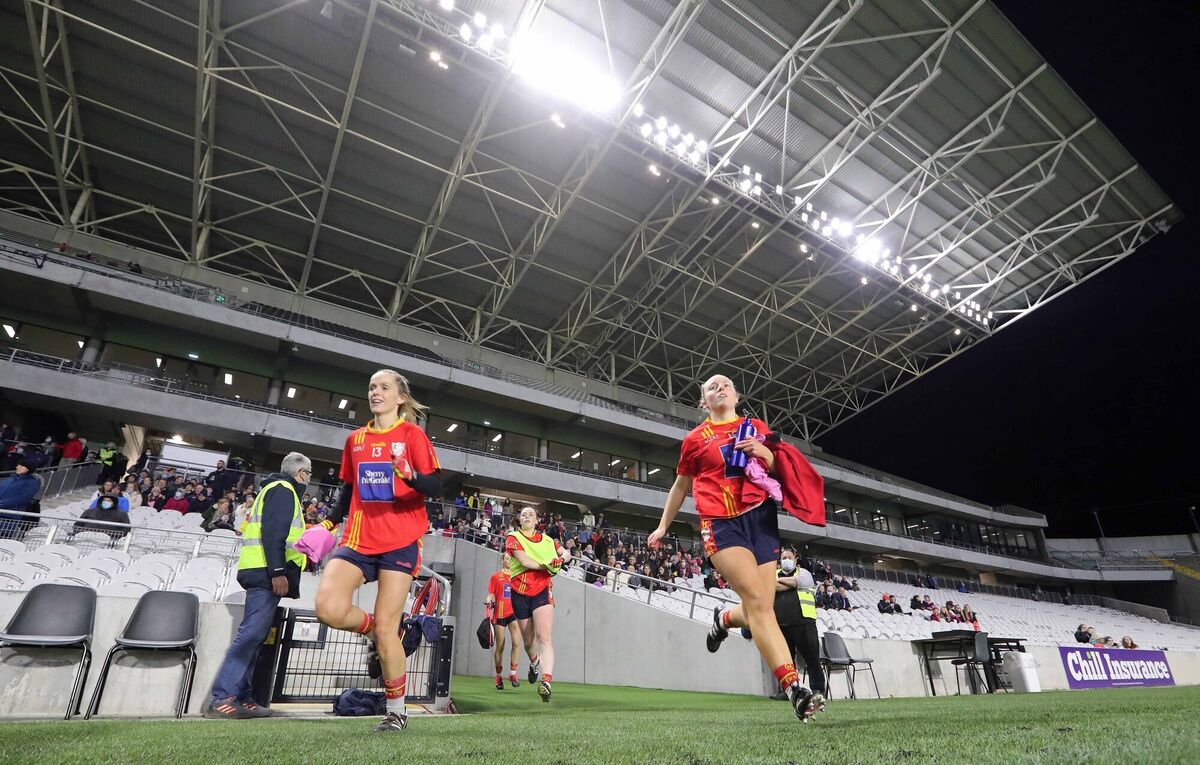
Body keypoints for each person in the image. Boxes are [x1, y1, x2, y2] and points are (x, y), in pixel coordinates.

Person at [648, 374, 823, 722]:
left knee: (760, 604)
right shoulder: (695, 440)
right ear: (704, 402)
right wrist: (663, 525)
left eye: (725, 385)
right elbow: (681, 486)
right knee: (760, 605)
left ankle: (724, 619)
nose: (719, 389)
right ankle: (794, 688)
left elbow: (778, 468)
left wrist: (762, 453)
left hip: (760, 519)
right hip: (720, 524)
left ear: (737, 394)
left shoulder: (755, 426)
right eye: (711, 388)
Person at [313, 369, 443, 733]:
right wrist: (327, 524)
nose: (375, 392)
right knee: (328, 607)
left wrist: (408, 476)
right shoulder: (355, 440)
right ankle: (374, 629)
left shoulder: (412, 435)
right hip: (357, 538)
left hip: (401, 540)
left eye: (384, 387)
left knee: (389, 627)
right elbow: (347, 489)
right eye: (372, 387)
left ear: (400, 397)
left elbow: (435, 484)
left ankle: (396, 712)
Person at [205, 452, 312, 719]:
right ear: (301, 473)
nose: (308, 479)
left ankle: (242, 697)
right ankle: (222, 698)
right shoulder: (283, 489)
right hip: (266, 573)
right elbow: (274, 533)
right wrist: (278, 571)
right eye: (308, 474)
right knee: (251, 635)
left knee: (256, 636)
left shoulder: (277, 489)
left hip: (263, 571)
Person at [506, 506, 569, 703]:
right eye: (523, 514)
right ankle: (534, 662)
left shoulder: (550, 540)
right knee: (527, 642)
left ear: (536, 520)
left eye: (530, 514)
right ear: (519, 519)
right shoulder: (513, 537)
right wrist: (549, 564)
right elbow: (526, 561)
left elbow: (566, 553)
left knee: (545, 638)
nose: (526, 516)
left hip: (542, 590)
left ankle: (547, 682)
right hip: (519, 593)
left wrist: (560, 560)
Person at [768, 549, 825, 703]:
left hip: (804, 622)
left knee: (812, 658)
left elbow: (799, 582)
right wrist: (791, 583)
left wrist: (785, 583)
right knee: (787, 661)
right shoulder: (772, 573)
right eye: (783, 557)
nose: (786, 559)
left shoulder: (804, 573)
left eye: (789, 557)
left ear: (795, 559)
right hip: (781, 624)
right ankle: (790, 691)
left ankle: (818, 690)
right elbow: (769, 586)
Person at [486, 552, 522, 690]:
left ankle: (513, 673)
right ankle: (498, 675)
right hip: (500, 614)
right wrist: (488, 601)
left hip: (514, 612)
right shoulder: (496, 577)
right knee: (500, 646)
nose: (509, 560)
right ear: (502, 560)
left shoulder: (517, 576)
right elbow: (490, 594)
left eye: (511, 558)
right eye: (507, 558)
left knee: (516, 643)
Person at [0, 460, 41, 538]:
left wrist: (2, 503)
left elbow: (23, 498)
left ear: (28, 469)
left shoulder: (32, 482)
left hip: (9, 517)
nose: (17, 467)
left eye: (21, 466)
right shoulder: (11, 479)